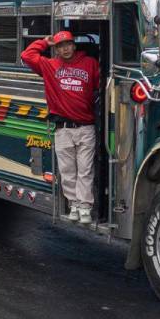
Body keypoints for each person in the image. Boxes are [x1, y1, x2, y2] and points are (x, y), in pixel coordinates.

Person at [21, 30, 100, 224]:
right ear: (56, 49)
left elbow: (99, 88)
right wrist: (44, 41)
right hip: (63, 128)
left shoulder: (90, 63)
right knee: (67, 170)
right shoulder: (50, 65)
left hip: (86, 127)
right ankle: (73, 204)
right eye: (60, 46)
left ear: (74, 45)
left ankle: (85, 207)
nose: (65, 49)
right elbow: (26, 56)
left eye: (67, 44)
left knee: (85, 170)